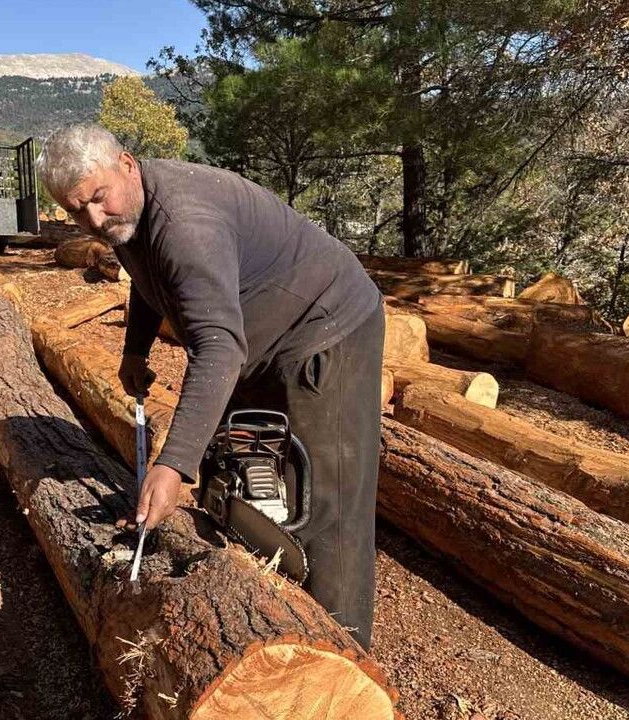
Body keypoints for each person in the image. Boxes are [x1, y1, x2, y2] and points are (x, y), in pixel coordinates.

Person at [37, 125, 385, 649]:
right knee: (244, 469)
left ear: (127, 164)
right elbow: (150, 277)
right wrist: (136, 349)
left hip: (327, 329)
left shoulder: (186, 224)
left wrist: (174, 462)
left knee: (324, 498)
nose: (93, 219)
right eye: (76, 209)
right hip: (261, 335)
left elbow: (219, 348)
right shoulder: (130, 214)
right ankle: (262, 618)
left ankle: (343, 649)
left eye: (98, 198)